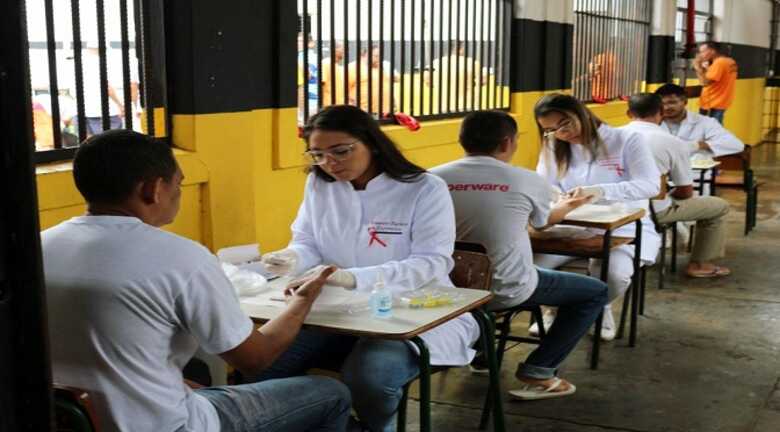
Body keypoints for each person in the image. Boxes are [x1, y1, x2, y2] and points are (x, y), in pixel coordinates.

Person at [42, 130, 351, 432]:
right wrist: (301, 302)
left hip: (69, 417)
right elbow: (255, 358)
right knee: (331, 394)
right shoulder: (180, 257)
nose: (179, 193)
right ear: (153, 189)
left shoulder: (38, 248)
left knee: (197, 379)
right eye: (178, 184)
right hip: (169, 425)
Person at [257, 105, 480, 432]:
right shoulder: (321, 185)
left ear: (372, 143)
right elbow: (308, 241)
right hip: (337, 311)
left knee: (369, 379)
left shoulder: (423, 187)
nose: (330, 163)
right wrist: (292, 258)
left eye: (341, 151)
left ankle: (378, 426)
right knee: (263, 362)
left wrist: (353, 278)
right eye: (317, 154)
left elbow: (431, 262)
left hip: (411, 311)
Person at [431, 111, 608, 400]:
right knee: (594, 293)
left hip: (446, 290)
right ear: (506, 143)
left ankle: (481, 354)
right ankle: (540, 369)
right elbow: (542, 222)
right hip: (504, 288)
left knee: (476, 274)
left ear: (462, 140)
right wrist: (566, 207)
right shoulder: (526, 179)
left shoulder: (432, 177)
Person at [532, 93, 661, 341]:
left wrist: (601, 192)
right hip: (569, 227)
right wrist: (551, 195)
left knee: (614, 275)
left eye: (564, 123)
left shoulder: (627, 139)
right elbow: (543, 183)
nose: (561, 133)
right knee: (530, 269)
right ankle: (555, 308)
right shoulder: (553, 146)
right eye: (550, 130)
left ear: (581, 112)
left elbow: (650, 186)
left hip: (623, 229)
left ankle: (596, 307)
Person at [623, 93, 731, 278]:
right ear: (661, 113)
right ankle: (700, 264)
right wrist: (668, 194)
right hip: (652, 210)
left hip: (616, 209)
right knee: (719, 207)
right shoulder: (672, 142)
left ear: (628, 113)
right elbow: (685, 192)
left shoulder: (610, 136)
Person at [654, 83, 744, 195]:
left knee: (693, 208)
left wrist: (698, 145)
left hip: (695, 180)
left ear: (684, 102)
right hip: (660, 180)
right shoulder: (652, 123)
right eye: (662, 104)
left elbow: (736, 145)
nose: (667, 107)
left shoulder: (705, 122)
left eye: (672, 102)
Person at [76, 47, 125, 136]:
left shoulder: (78, 64)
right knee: (110, 142)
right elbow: (108, 88)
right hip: (106, 113)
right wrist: (120, 105)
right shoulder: (102, 64)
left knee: (92, 143)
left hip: (84, 112)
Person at [693, 41, 738, 124]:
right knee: (716, 130)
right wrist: (706, 69)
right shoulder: (731, 62)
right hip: (722, 101)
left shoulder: (719, 63)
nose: (701, 55)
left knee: (712, 131)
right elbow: (719, 79)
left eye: (703, 51)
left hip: (712, 103)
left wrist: (697, 67)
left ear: (712, 51)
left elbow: (705, 82)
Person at [347, 44, 399, 115]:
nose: (379, 59)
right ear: (365, 55)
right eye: (376, 56)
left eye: (380, 56)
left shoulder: (383, 67)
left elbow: (397, 79)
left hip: (385, 112)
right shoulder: (353, 68)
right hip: (363, 113)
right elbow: (343, 90)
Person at [320, 42, 345, 107]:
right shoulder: (326, 63)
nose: (344, 51)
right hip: (329, 105)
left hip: (338, 105)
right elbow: (321, 84)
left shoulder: (337, 66)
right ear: (335, 49)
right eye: (343, 49)